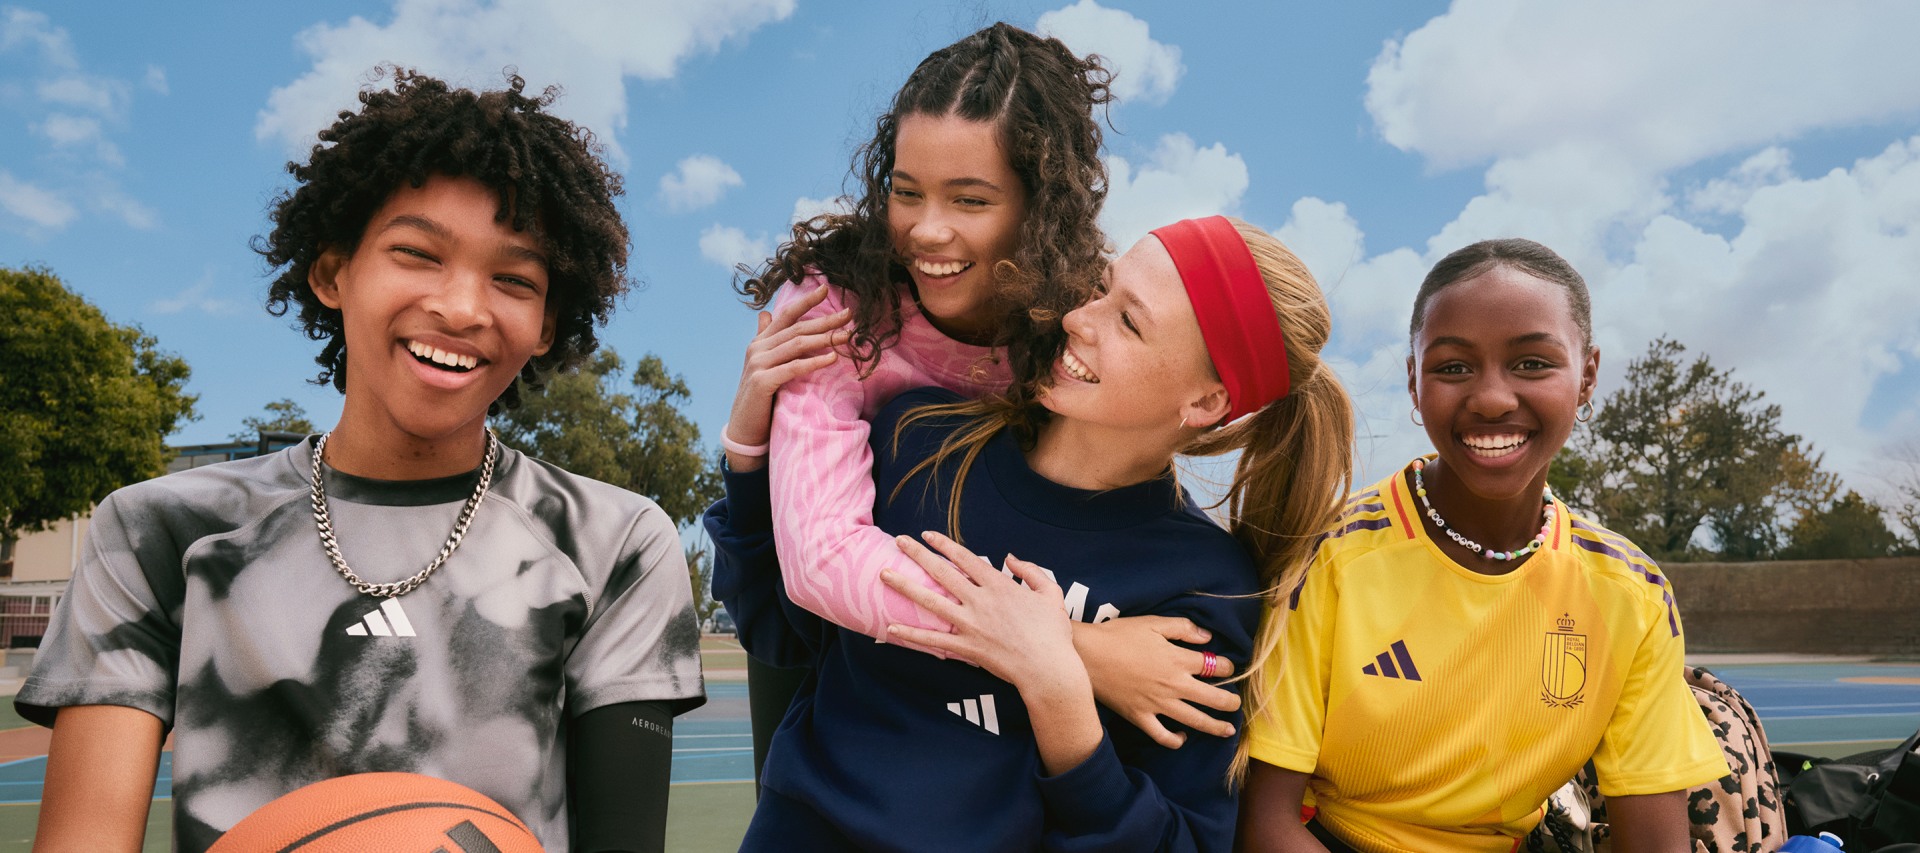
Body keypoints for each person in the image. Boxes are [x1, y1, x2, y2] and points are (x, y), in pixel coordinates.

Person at [18, 70, 704, 853]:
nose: (461, 307)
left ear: (547, 324)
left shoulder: (613, 541)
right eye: (417, 253)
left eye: (514, 278)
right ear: (331, 272)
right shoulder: (158, 531)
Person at [709, 22, 1244, 781]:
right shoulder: (837, 307)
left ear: (1038, 208)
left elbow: (1116, 464)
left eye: (970, 199)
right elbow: (821, 563)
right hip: (810, 604)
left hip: (957, 680)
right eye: (906, 191)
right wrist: (1073, 647)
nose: (928, 229)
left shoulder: (1073, 318)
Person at [723, 216, 1356, 851]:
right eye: (1103, 289)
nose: (1081, 319)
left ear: (1207, 403)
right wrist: (749, 459)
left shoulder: (1208, 587)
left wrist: (1059, 696)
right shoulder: (921, 439)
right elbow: (780, 632)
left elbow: (1180, 841)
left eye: (1129, 322)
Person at [1236, 239, 1729, 853]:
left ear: (1587, 378)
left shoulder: (1632, 591)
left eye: (1531, 364)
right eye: (1452, 367)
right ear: (1414, 383)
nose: (1492, 398)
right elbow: (1265, 828)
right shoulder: (1330, 557)